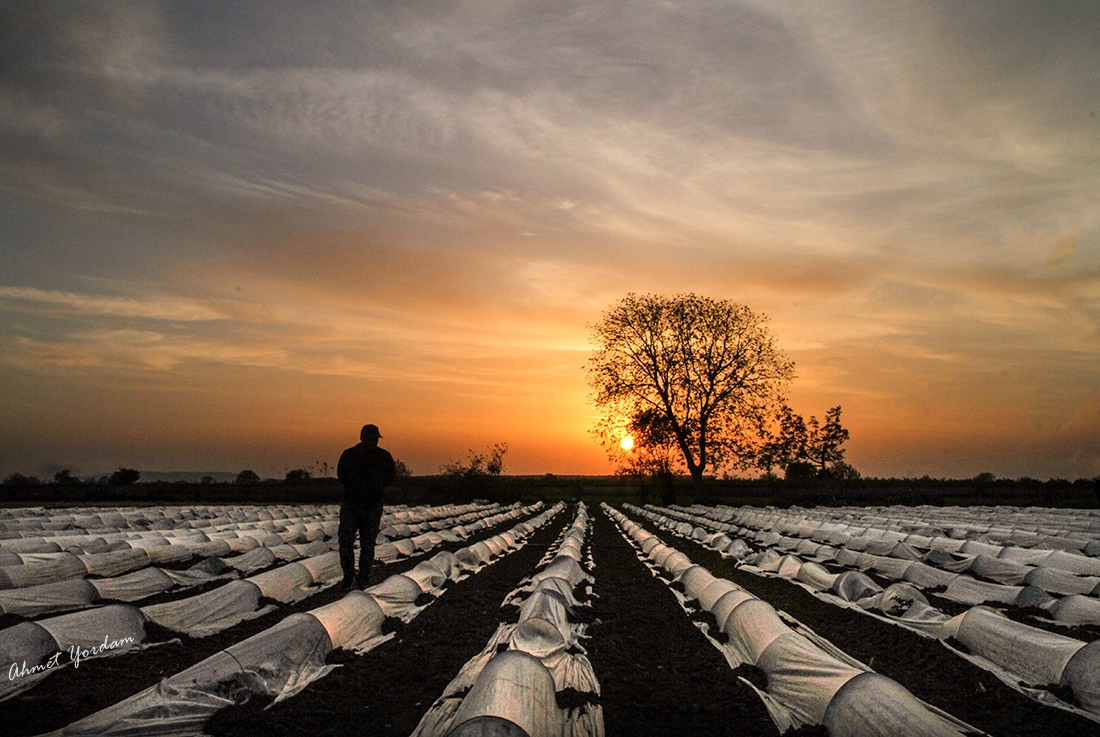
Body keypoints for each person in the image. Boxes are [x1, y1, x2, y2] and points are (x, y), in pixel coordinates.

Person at [336, 423, 396, 590]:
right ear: (362, 438)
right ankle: (348, 576)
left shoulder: (383, 456)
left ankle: (363, 577)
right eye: (371, 439)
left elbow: (391, 476)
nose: (374, 442)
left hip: (372, 505)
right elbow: (342, 475)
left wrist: (377, 487)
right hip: (351, 505)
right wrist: (357, 487)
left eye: (376, 439)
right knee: (346, 540)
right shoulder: (349, 455)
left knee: (368, 543)